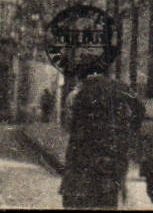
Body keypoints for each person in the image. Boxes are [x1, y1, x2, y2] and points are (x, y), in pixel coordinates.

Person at [59, 71, 145, 209]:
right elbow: (139, 108)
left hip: (83, 153)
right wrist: (129, 130)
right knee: (108, 195)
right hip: (112, 151)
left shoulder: (77, 93)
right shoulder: (119, 87)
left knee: (78, 196)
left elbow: (69, 125)